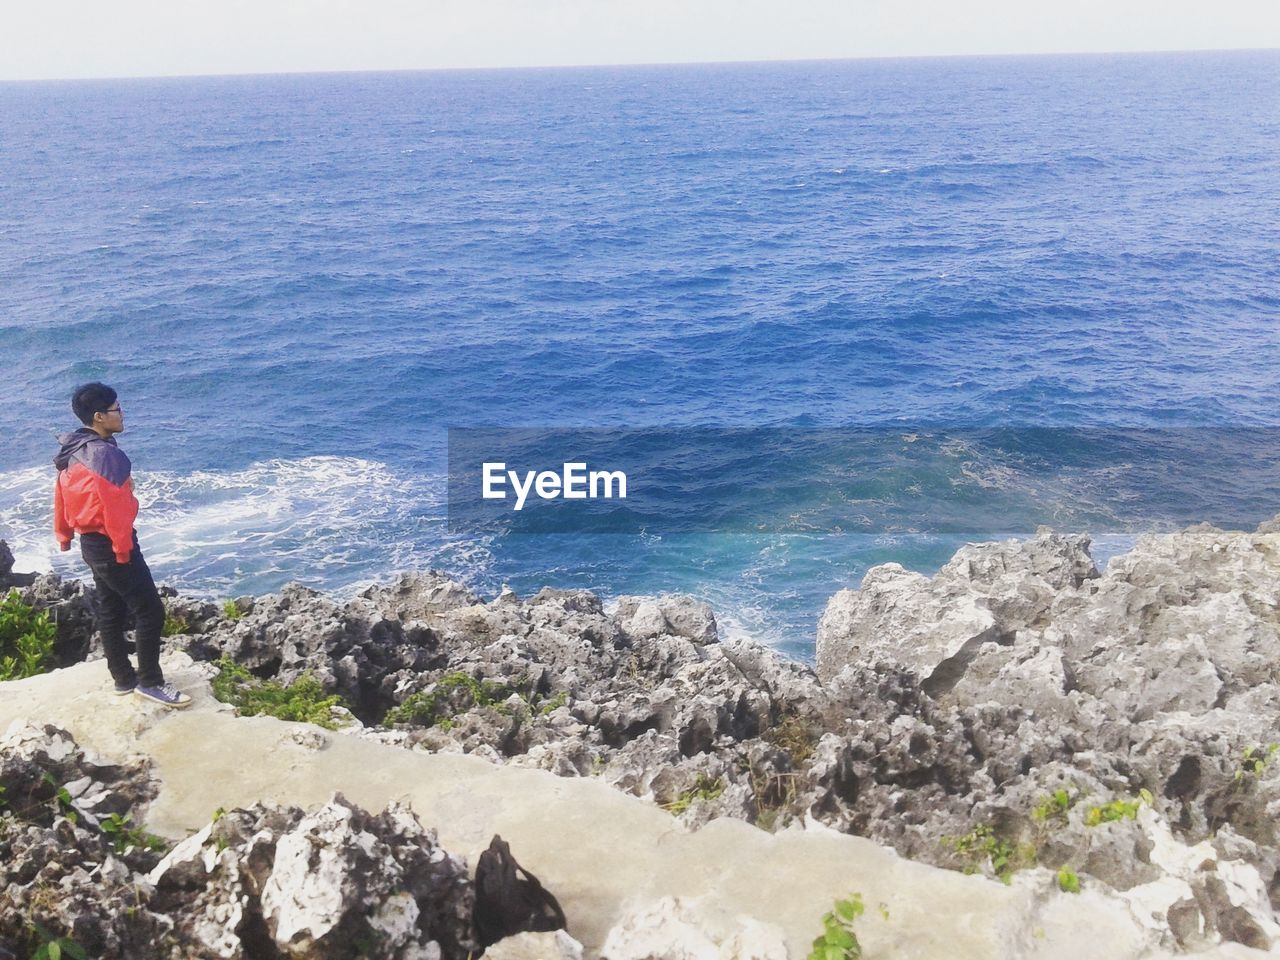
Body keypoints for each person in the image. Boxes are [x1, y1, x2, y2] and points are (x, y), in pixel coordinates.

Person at [53, 383, 191, 708]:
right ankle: (151, 683)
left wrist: (64, 536)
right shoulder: (105, 456)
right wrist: (122, 547)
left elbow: (61, 496)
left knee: (111, 610)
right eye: (116, 409)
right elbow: (117, 511)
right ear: (99, 417)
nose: (122, 413)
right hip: (114, 545)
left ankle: (123, 680)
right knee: (150, 611)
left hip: (91, 544)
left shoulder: (74, 449)